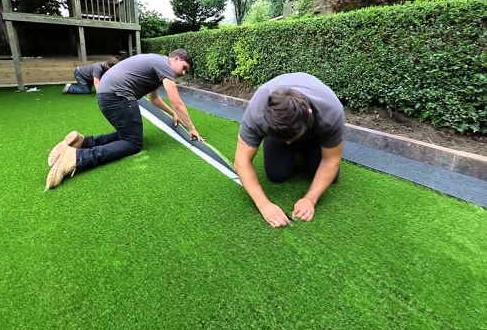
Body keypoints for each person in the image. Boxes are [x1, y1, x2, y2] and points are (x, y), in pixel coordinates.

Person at [46, 49, 204, 189]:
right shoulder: (164, 65)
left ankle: (83, 142)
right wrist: (191, 128)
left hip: (106, 96)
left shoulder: (156, 63)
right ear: (176, 58)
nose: (183, 73)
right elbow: (178, 103)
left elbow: (154, 98)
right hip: (118, 96)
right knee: (133, 144)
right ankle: (77, 157)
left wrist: (172, 113)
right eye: (184, 68)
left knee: (127, 137)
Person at [234, 73, 344, 228]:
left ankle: (305, 148)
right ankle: (284, 142)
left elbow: (331, 160)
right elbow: (241, 162)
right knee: (277, 175)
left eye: (291, 137)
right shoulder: (256, 112)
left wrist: (310, 199)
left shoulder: (330, 111)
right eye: (285, 139)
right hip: (279, 130)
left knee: (331, 177)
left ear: (309, 115)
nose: (288, 142)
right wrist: (264, 205)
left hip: (314, 136)